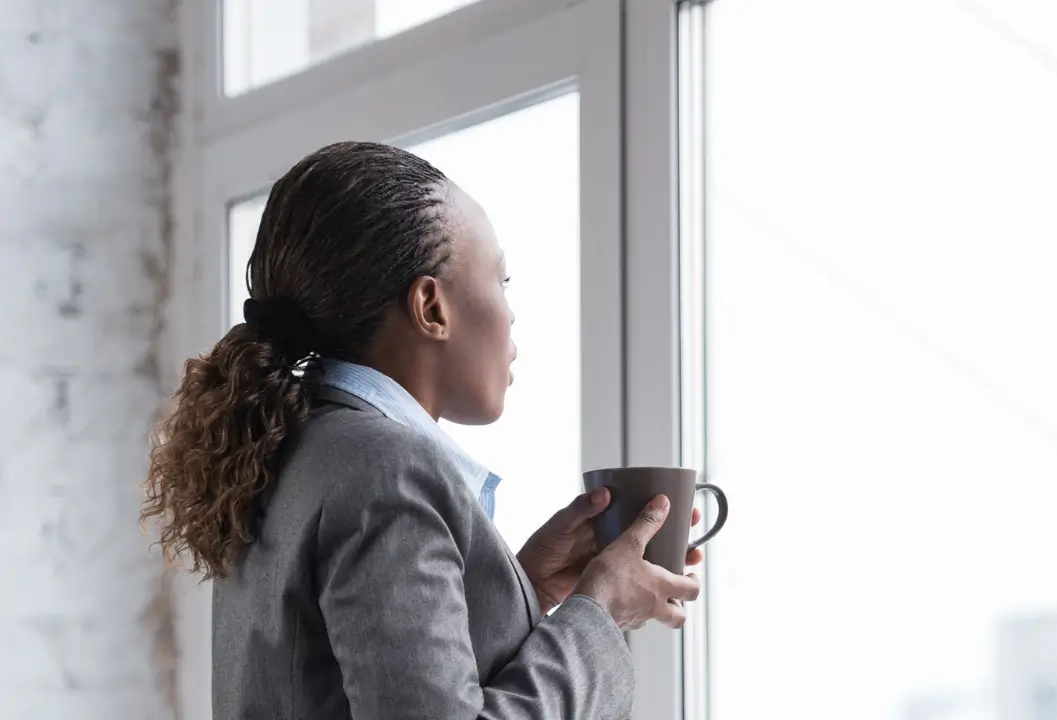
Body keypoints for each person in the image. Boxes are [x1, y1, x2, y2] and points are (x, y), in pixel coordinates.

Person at [141, 141, 703, 720]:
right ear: (431, 307)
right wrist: (600, 608)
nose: (511, 315)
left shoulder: (290, 445)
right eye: (502, 280)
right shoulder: (386, 469)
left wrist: (524, 587)